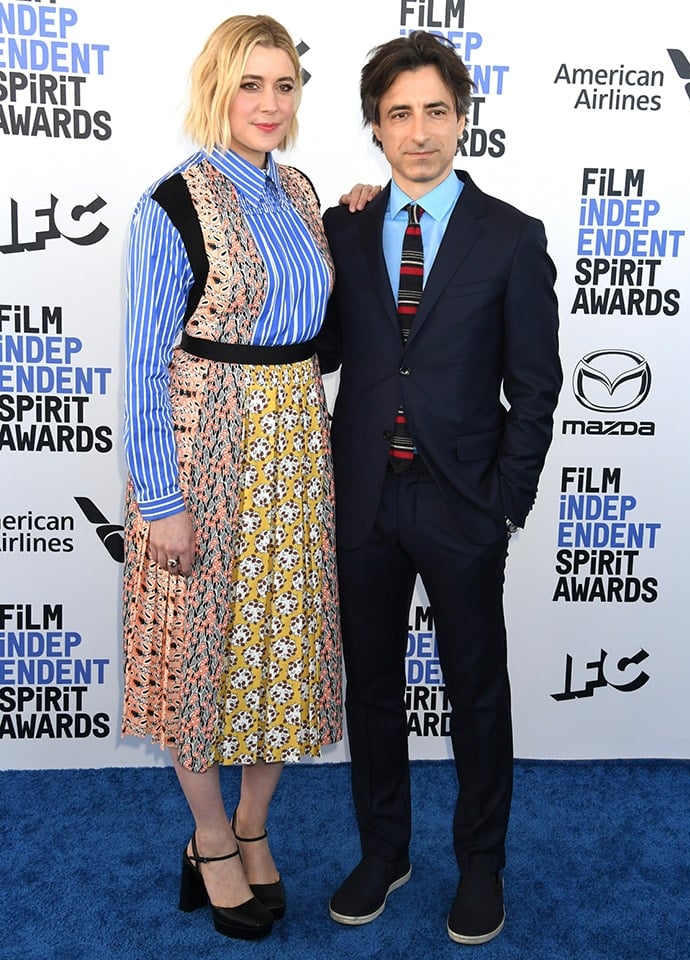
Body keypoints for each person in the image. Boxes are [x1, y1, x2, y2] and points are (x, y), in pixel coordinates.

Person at [120, 14, 375, 942]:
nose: (270, 104)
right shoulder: (171, 204)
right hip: (202, 449)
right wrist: (161, 502)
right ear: (216, 89)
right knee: (193, 656)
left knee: (282, 648)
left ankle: (256, 826)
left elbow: (331, 312)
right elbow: (145, 366)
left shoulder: (305, 191)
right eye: (250, 84)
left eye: (285, 86)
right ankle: (211, 837)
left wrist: (361, 215)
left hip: (298, 451)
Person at [316, 31, 562, 945]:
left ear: (463, 119)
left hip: (464, 505)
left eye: (436, 111)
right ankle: (385, 851)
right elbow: (331, 346)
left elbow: (535, 385)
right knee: (372, 686)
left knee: (476, 690)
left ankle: (482, 863)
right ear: (374, 127)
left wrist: (503, 500)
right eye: (398, 114)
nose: (418, 132)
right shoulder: (343, 225)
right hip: (365, 498)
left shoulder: (511, 236)